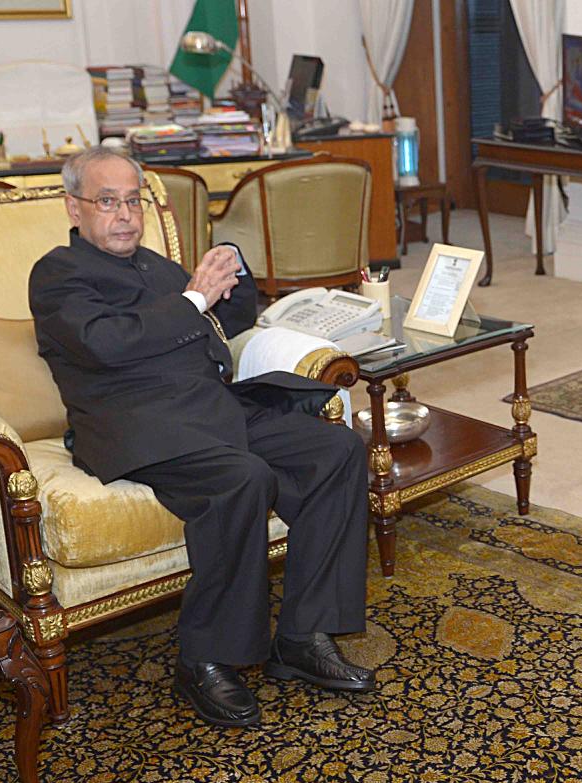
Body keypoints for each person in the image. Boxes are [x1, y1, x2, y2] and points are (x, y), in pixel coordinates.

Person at [29, 146, 376, 728]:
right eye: (108, 202)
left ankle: (303, 635)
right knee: (242, 478)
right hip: (139, 425)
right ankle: (206, 659)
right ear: (74, 207)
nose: (125, 215)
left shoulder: (157, 267)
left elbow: (225, 324)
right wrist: (193, 297)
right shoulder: (59, 274)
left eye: (133, 202)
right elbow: (105, 344)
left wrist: (231, 271)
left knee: (335, 450)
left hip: (213, 410)